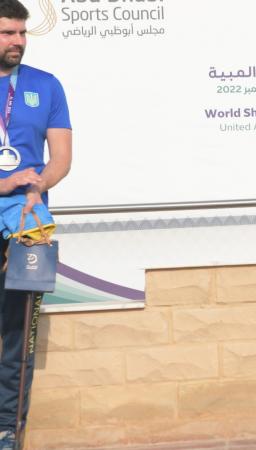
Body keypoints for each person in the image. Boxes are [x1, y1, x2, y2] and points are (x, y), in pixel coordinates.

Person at [0, 1, 72, 448]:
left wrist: (35, 187)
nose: (18, 42)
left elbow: (61, 158)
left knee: (16, 341)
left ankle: (7, 432)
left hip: (26, 224)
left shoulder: (46, 86)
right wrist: (5, 181)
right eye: (8, 33)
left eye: (22, 34)